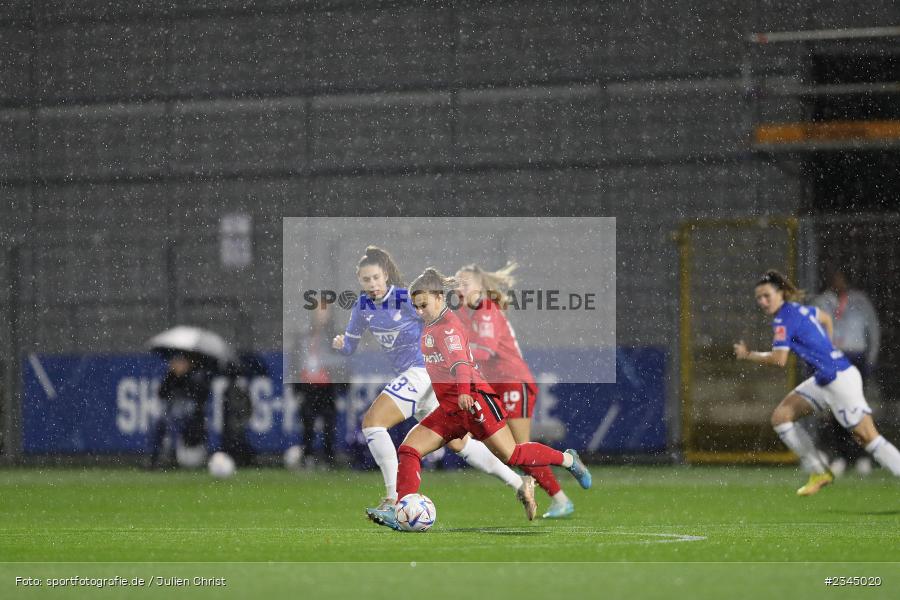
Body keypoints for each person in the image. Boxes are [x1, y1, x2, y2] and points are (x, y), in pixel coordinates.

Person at [366, 268, 592, 531]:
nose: (419, 311)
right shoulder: (431, 327)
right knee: (409, 449)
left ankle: (568, 460)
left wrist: (463, 392)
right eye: (416, 306)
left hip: (474, 402)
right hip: (451, 410)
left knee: (514, 454)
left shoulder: (448, 328)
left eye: (423, 305)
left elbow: (462, 364)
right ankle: (400, 509)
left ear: (439, 298)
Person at [332, 247, 538, 518]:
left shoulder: (405, 298)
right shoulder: (362, 307)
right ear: (359, 280)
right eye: (366, 280)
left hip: (423, 372)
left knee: (373, 423)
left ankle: (394, 499)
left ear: (386, 276)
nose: (372, 285)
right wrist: (341, 344)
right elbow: (350, 346)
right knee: (458, 443)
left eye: (376, 278)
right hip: (421, 380)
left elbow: (441, 316)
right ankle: (518, 482)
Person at [733, 269, 900, 495]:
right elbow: (825, 318)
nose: (762, 302)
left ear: (780, 293)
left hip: (839, 380)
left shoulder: (783, 319)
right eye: (759, 298)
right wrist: (828, 349)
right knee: (781, 418)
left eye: (767, 296)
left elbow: (780, 359)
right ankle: (818, 471)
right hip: (825, 377)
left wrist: (749, 355)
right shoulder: (799, 309)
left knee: (868, 437)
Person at [455, 262, 574, 518]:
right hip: (492, 386)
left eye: (465, 283)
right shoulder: (464, 314)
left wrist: (453, 356)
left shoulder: (486, 309)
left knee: (519, 449)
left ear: (480, 287)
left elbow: (485, 352)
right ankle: (550, 492)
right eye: (457, 283)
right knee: (510, 451)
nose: (459, 288)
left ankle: (565, 480)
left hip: (512, 382)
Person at [812, 268, 881, 475]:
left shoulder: (860, 301)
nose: (838, 281)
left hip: (856, 357)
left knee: (858, 409)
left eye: (841, 277)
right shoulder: (822, 301)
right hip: (834, 358)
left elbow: (873, 328)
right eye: (834, 277)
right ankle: (841, 455)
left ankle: (862, 455)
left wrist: (871, 359)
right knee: (837, 410)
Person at [292, 302, 345, 467]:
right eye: (318, 312)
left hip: (327, 386)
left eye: (324, 312)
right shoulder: (306, 336)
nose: (321, 315)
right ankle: (307, 455)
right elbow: (296, 360)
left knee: (329, 422)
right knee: (308, 422)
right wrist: (296, 385)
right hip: (309, 386)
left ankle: (328, 457)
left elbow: (342, 361)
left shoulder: (334, 336)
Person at [147, 354, 212, 469]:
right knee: (160, 423)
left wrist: (184, 376)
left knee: (174, 422)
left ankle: (173, 457)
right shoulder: (171, 377)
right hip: (173, 413)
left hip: (191, 417)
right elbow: (161, 393)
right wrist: (172, 376)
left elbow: (201, 396)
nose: (177, 365)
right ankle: (155, 459)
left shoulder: (197, 375)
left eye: (181, 362)